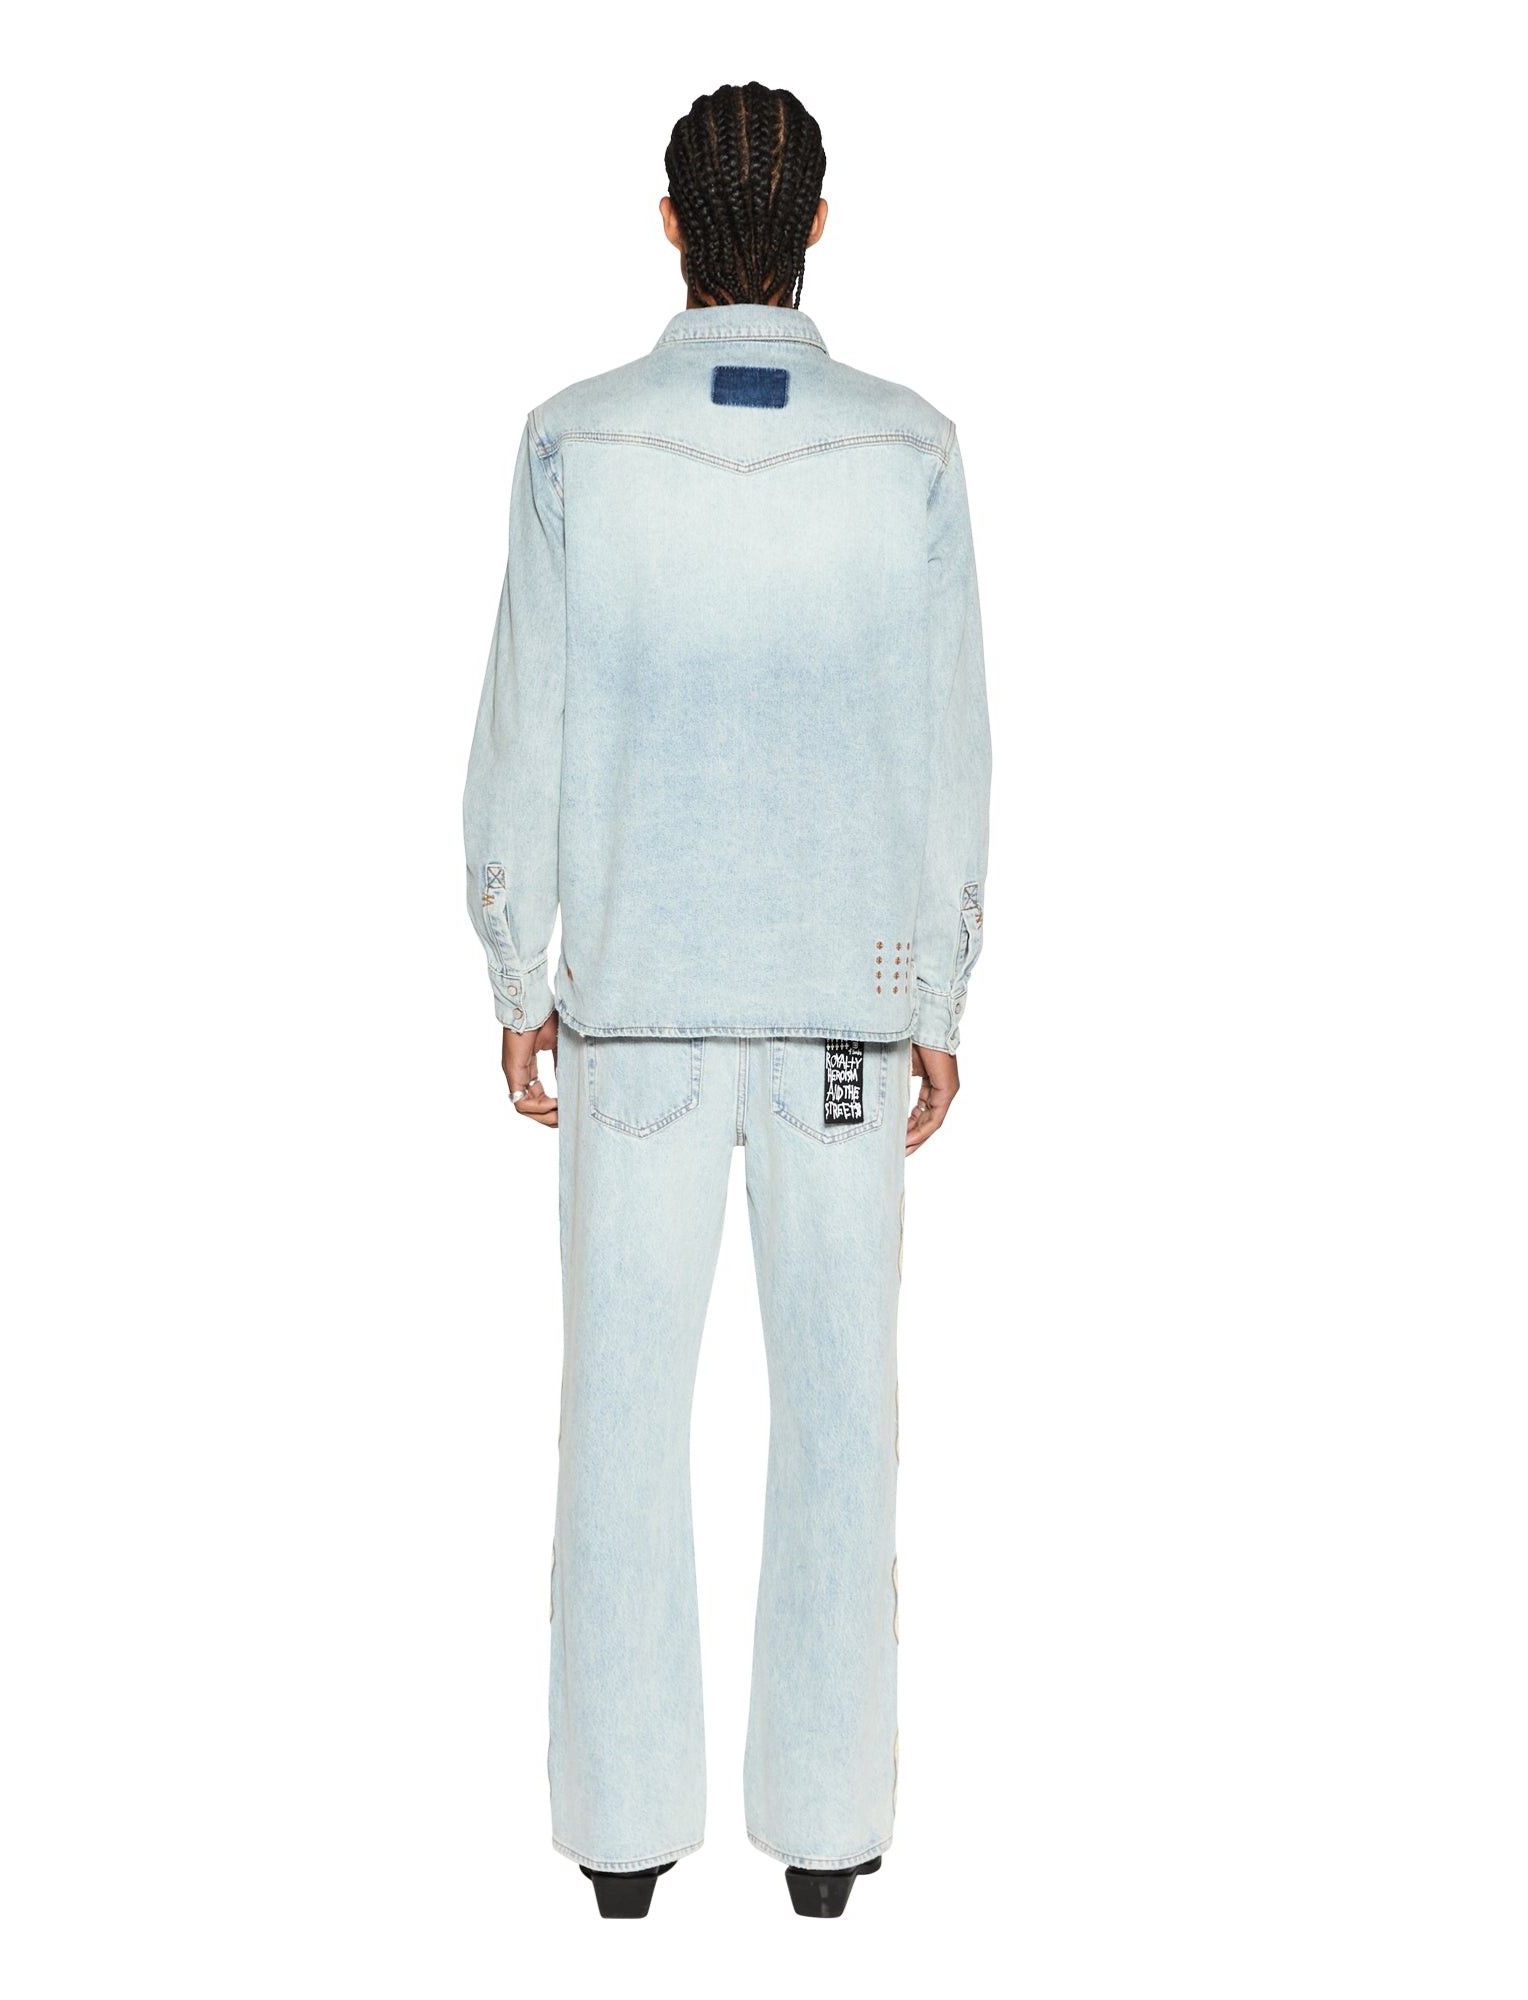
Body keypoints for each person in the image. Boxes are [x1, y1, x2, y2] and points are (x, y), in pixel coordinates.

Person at [463, 80, 990, 1920]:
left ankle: (623, 1846)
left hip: (638, 1022)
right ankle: (827, 1843)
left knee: (619, 1428)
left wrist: (515, 962)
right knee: (843, 1427)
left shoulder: (574, 441)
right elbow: (952, 748)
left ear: (672, 225)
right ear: (820, 225)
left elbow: (523, 722)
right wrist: (938, 992)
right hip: (846, 1014)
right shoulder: (909, 450)